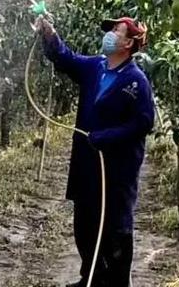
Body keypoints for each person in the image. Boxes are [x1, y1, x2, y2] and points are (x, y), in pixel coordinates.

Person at [35, 15, 155, 287]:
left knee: (114, 231)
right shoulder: (95, 67)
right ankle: (91, 278)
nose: (110, 34)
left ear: (128, 43)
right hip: (87, 166)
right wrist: (49, 34)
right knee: (85, 228)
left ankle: (115, 282)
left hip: (115, 173)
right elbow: (65, 58)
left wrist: (109, 137)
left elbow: (144, 122)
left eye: (116, 30)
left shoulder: (135, 81)